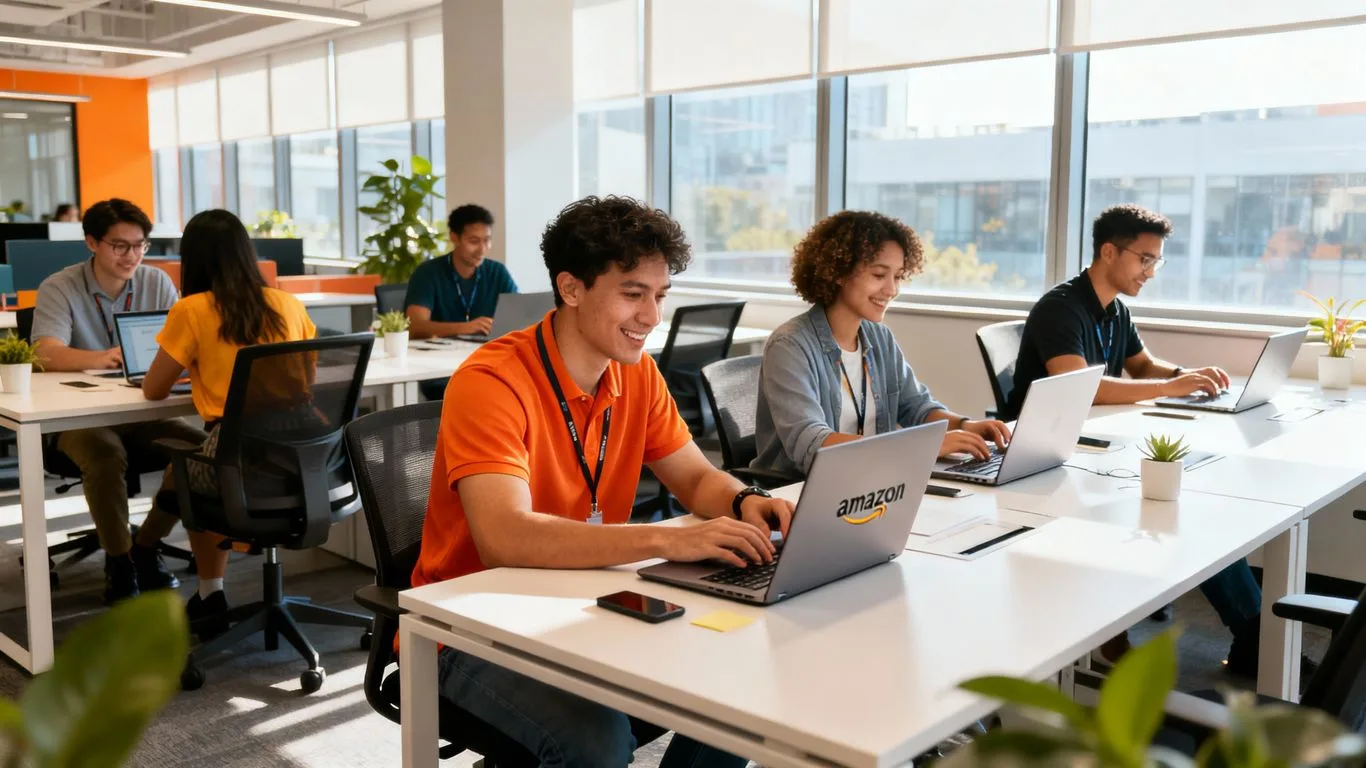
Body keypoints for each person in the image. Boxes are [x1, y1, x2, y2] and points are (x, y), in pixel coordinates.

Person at [411, 195, 794, 767]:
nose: (651, 317)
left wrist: (743, 501)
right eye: (633, 294)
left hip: (589, 600)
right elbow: (504, 536)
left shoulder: (634, 374)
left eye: (660, 296)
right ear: (571, 289)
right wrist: (667, 539)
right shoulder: (491, 381)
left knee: (738, 681)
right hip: (473, 624)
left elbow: (693, 477)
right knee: (596, 743)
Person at [1009, 203, 1266, 676]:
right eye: (1144, 259)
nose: (1150, 271)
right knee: (1175, 509)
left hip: (1097, 445)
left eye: (1156, 261)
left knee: (1189, 507)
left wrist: (1185, 375)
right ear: (1109, 251)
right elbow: (1082, 389)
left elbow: (1142, 366)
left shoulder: (1116, 309)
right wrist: (1169, 389)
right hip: (1041, 455)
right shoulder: (1060, 309)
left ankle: (1254, 635)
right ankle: (1115, 627)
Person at [142, 209, 317, 635]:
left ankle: (203, 586)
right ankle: (169, 568)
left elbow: (153, 390)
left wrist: (198, 369)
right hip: (301, 458)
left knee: (186, 471)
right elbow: (306, 379)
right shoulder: (288, 304)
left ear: (193, 260)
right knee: (189, 465)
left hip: (236, 461)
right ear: (245, 252)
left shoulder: (192, 310)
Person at [751, 210, 1012, 480]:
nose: (892, 290)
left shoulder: (878, 337)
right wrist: (919, 446)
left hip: (874, 482)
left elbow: (916, 406)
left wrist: (965, 425)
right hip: (801, 491)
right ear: (838, 272)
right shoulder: (790, 346)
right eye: (879, 275)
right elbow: (811, 443)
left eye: (898, 276)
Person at [31, 198, 200, 604]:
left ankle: (145, 545)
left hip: (142, 410)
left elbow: (183, 345)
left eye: (140, 245)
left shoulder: (157, 282)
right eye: (120, 246)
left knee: (199, 452)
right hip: (78, 417)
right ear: (92, 242)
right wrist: (102, 357)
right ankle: (119, 560)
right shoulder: (60, 286)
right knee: (105, 453)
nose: (133, 256)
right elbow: (45, 352)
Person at [404, 204, 518, 339]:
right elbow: (415, 327)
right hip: (439, 355)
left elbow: (519, 318)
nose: (482, 249)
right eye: (474, 241)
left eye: (487, 240)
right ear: (454, 238)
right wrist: (466, 327)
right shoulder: (428, 273)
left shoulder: (497, 272)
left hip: (487, 352)